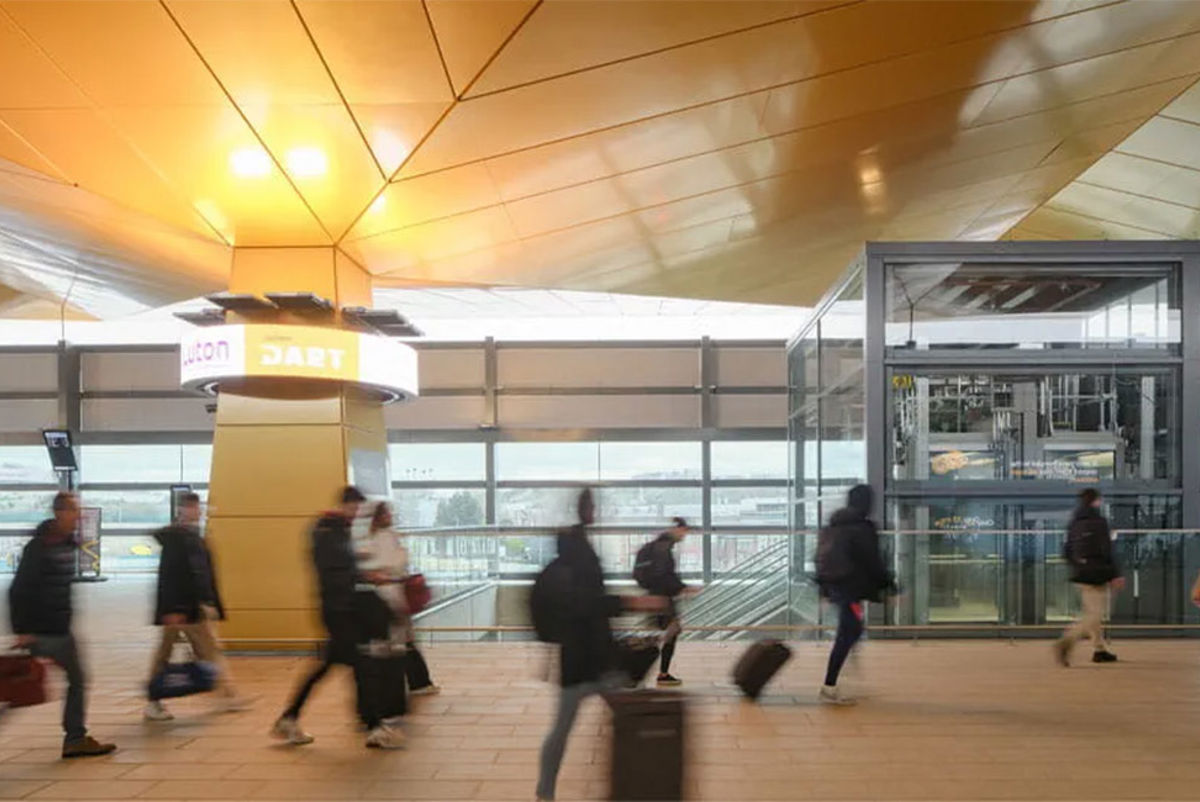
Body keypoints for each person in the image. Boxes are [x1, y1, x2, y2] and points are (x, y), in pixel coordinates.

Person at [536, 488, 666, 802]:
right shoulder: (579, 555)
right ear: (581, 509)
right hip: (591, 659)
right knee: (624, 721)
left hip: (584, 658)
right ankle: (633, 786)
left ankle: (546, 793)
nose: (594, 508)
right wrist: (632, 602)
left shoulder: (573, 551)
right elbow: (588, 604)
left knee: (569, 729)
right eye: (589, 503)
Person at [271, 486, 402, 749]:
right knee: (362, 665)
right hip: (338, 610)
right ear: (345, 505)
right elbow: (334, 572)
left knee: (328, 665)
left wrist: (362, 571)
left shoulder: (337, 529)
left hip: (341, 608)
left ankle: (290, 717)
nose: (356, 516)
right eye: (354, 509)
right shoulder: (327, 530)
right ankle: (375, 727)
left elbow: (343, 567)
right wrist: (365, 576)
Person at [8, 492, 116, 758]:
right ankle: (75, 737)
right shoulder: (39, 547)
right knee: (20, 687)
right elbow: (19, 589)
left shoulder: (68, 543)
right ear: (60, 512)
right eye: (73, 510)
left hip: (60, 627)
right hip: (41, 631)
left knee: (63, 681)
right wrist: (22, 630)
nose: (78, 516)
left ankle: (75, 738)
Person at [144, 492, 248, 721]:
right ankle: (153, 700)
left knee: (210, 651)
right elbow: (169, 577)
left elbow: (206, 574)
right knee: (165, 655)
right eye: (191, 507)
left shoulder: (196, 538)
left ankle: (228, 694)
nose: (196, 511)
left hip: (196, 607)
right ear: (182, 510)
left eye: (197, 507)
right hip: (178, 610)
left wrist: (212, 603)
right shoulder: (175, 539)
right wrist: (172, 610)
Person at [815, 484, 894, 706]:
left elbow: (820, 556)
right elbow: (873, 561)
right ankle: (830, 686)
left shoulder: (833, 525)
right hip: (850, 588)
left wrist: (823, 588)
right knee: (849, 632)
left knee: (851, 630)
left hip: (837, 587)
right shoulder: (863, 527)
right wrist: (890, 585)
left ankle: (843, 676)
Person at [361, 502, 438, 699]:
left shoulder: (371, 539)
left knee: (398, 641)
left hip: (388, 591)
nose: (391, 515)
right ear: (380, 517)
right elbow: (398, 563)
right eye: (387, 513)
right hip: (392, 592)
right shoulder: (386, 537)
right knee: (399, 642)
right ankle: (414, 683)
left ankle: (416, 682)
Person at [1056, 488, 1124, 666]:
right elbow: (1106, 550)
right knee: (1095, 615)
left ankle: (1099, 650)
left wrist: (1078, 567)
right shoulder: (1099, 521)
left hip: (1081, 575)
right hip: (1097, 574)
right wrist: (1115, 574)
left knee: (1091, 612)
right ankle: (1067, 641)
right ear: (1096, 501)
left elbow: (1066, 551)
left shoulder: (1074, 522)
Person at [633, 517, 694, 687]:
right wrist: (682, 588)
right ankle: (652, 672)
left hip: (655, 596)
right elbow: (663, 574)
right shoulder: (663, 548)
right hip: (662, 598)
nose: (684, 536)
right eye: (683, 531)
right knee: (668, 632)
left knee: (661, 633)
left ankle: (642, 672)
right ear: (677, 529)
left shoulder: (658, 545)